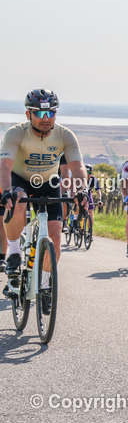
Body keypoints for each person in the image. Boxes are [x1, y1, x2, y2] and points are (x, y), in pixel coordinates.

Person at [0, 89, 88, 310]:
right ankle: (13, 252)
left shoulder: (65, 135)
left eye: (50, 113)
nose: (46, 119)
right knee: (17, 200)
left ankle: (45, 285)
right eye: (39, 114)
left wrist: (81, 190)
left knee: (56, 235)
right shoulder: (15, 133)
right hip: (20, 179)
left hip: (49, 182)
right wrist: (6, 190)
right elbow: (4, 166)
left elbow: (78, 167)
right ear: (28, 114)